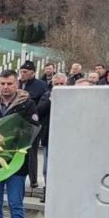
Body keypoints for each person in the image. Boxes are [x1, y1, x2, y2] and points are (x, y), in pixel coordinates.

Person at [0, 70, 39, 218]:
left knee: (15, 204)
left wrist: (11, 140)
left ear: (17, 84)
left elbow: (33, 130)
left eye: (9, 83)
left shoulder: (28, 105)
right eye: (2, 84)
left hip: (16, 163)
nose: (6, 87)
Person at [36, 73, 66, 203]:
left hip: (65, 137)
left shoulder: (72, 96)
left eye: (61, 84)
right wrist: (50, 100)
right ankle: (47, 190)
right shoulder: (47, 95)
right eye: (56, 84)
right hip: (49, 136)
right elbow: (39, 110)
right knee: (47, 167)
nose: (59, 87)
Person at [18, 61, 47, 189]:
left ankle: (33, 179)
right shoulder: (17, 84)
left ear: (33, 72)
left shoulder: (40, 85)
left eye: (25, 72)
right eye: (21, 71)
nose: (22, 74)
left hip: (33, 123)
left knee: (32, 152)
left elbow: (44, 104)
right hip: (17, 122)